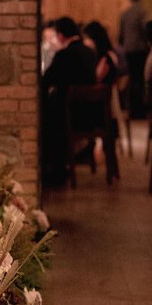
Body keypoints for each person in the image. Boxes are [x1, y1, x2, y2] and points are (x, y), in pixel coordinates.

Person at [41, 16, 98, 185]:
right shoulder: (89, 52)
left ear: (60, 35)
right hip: (91, 113)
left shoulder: (64, 55)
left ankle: (53, 170)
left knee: (46, 118)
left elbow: (46, 80)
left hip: (70, 116)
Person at [118, 0, 149, 117]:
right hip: (140, 49)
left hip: (129, 50)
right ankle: (140, 110)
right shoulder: (141, 12)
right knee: (140, 80)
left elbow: (121, 35)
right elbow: (145, 30)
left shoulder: (125, 13)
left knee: (133, 79)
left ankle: (132, 109)